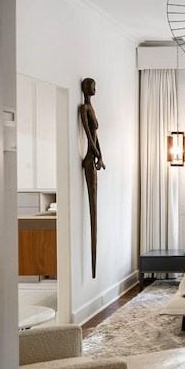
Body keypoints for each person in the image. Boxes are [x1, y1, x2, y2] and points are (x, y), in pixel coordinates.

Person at [79, 78, 105, 278]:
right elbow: (88, 135)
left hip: (94, 157)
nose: (95, 89)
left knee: (94, 209)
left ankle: (94, 268)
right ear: (87, 88)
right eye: (93, 86)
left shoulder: (91, 108)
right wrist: (96, 155)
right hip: (89, 159)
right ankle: (92, 269)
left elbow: (95, 136)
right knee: (92, 208)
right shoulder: (84, 108)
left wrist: (101, 155)